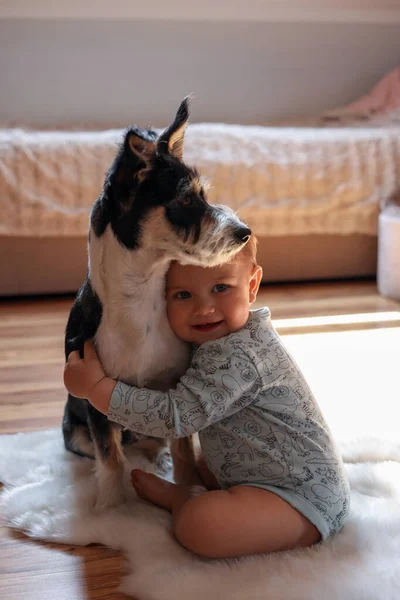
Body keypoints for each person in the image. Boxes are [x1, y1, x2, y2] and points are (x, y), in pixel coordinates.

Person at [64, 236, 350, 559]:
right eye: (183, 295)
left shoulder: (238, 357)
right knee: (205, 461)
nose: (204, 308)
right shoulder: (219, 342)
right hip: (258, 474)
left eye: (221, 288)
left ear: (252, 284)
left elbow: (175, 416)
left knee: (200, 525)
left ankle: (180, 500)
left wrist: (97, 388)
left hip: (301, 499)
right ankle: (198, 492)